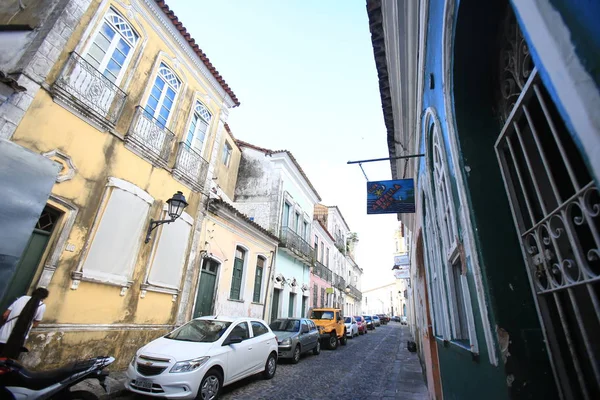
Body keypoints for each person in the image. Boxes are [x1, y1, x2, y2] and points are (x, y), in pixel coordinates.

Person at [0, 287, 49, 359]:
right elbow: (36, 323)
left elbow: (5, 315)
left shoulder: (22, 298)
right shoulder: (42, 306)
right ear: (44, 297)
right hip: (18, 340)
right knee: (7, 362)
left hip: (3, 336)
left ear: (33, 293)